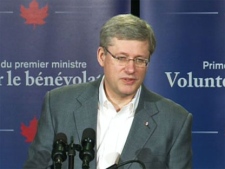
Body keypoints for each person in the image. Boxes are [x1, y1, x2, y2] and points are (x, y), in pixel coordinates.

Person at [23, 14, 192, 169]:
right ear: (102, 56)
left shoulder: (175, 120)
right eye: (122, 58)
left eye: (140, 60)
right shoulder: (59, 103)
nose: (131, 69)